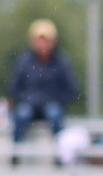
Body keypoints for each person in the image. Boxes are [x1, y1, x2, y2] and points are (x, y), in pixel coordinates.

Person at [7, 20, 78, 155]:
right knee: (22, 114)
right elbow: (14, 88)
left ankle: (60, 154)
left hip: (52, 104)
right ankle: (16, 153)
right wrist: (29, 98)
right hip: (29, 104)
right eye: (39, 40)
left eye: (46, 40)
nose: (43, 44)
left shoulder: (62, 62)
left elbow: (72, 90)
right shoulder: (24, 61)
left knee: (55, 113)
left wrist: (53, 98)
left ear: (53, 41)